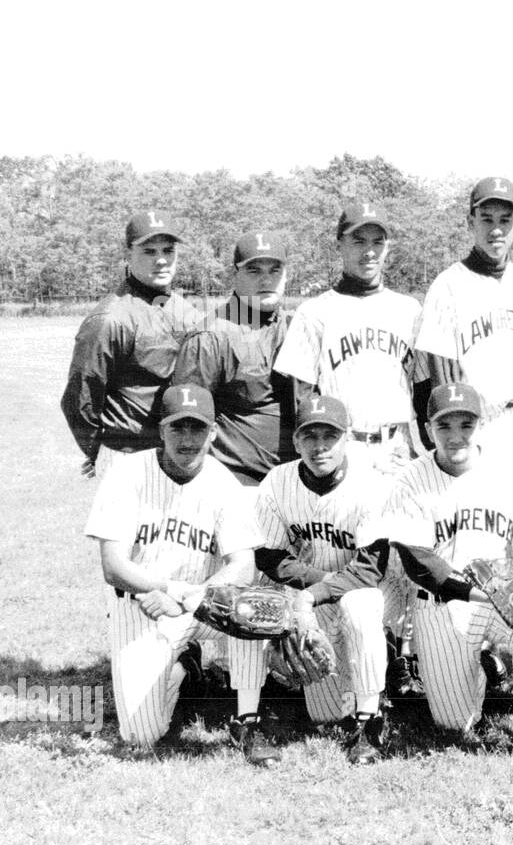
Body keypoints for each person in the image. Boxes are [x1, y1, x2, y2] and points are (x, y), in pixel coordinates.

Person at [380, 383, 513, 773]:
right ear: (426, 429)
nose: (456, 436)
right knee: (455, 723)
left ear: (480, 425)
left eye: (466, 424)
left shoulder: (510, 468)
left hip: (499, 596)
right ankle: (484, 663)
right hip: (441, 604)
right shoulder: (411, 480)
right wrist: (479, 596)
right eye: (444, 426)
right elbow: (419, 563)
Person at [83, 385, 261, 752]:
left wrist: (183, 600)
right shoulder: (127, 473)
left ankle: (247, 721)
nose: (188, 439)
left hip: (201, 606)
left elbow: (244, 568)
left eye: (198, 428)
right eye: (178, 428)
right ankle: (188, 669)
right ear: (161, 429)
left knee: (248, 612)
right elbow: (113, 566)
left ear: (213, 433)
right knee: (140, 735)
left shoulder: (225, 485)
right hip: (141, 606)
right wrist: (169, 593)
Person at [245, 394, 399, 766]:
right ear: (296, 441)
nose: (319, 446)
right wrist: (316, 587)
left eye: (329, 436)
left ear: (347, 438)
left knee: (359, 606)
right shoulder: (277, 483)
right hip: (316, 594)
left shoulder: (370, 484)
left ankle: (370, 721)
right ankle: (380, 668)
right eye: (309, 436)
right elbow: (268, 555)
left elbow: (368, 570)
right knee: (326, 714)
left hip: (375, 592)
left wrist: (313, 594)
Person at [412, 177, 513, 480]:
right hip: (478, 424)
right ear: (470, 222)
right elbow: (441, 375)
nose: (496, 229)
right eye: (486, 219)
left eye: (505, 219)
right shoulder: (447, 285)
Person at [273, 200, 420, 476]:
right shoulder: (313, 312)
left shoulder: (410, 310)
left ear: (388, 246)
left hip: (398, 445)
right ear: (340, 244)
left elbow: (423, 388)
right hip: (342, 446)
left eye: (378, 242)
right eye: (358, 241)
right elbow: (302, 400)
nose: (369, 252)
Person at [62, 210, 198, 478]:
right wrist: (98, 452)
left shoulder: (185, 310)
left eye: (168, 250)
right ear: (127, 254)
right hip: (128, 456)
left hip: (177, 451)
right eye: (149, 251)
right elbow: (79, 398)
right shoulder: (110, 318)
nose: (161, 260)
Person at [173, 231, 297, 488]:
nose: (266, 279)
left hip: (294, 482)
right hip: (237, 483)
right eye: (254, 270)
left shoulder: (297, 327)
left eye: (275, 270)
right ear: (234, 275)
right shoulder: (210, 335)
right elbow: (188, 422)